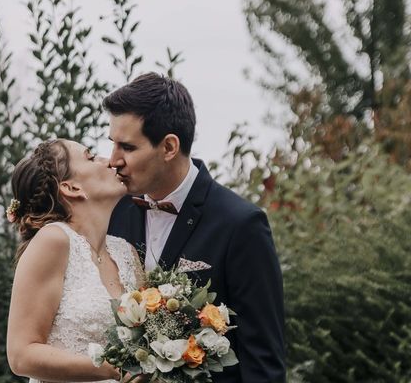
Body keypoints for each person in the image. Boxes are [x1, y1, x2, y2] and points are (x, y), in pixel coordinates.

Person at [105, 72, 286, 383]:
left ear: (169, 147)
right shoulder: (113, 211)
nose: (113, 160)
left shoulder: (241, 225)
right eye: (112, 145)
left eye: (128, 148)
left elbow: (264, 361)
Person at [6, 139, 144, 383]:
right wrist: (114, 368)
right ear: (71, 188)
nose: (108, 161)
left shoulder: (127, 252)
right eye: (91, 157)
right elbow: (21, 355)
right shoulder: (54, 241)